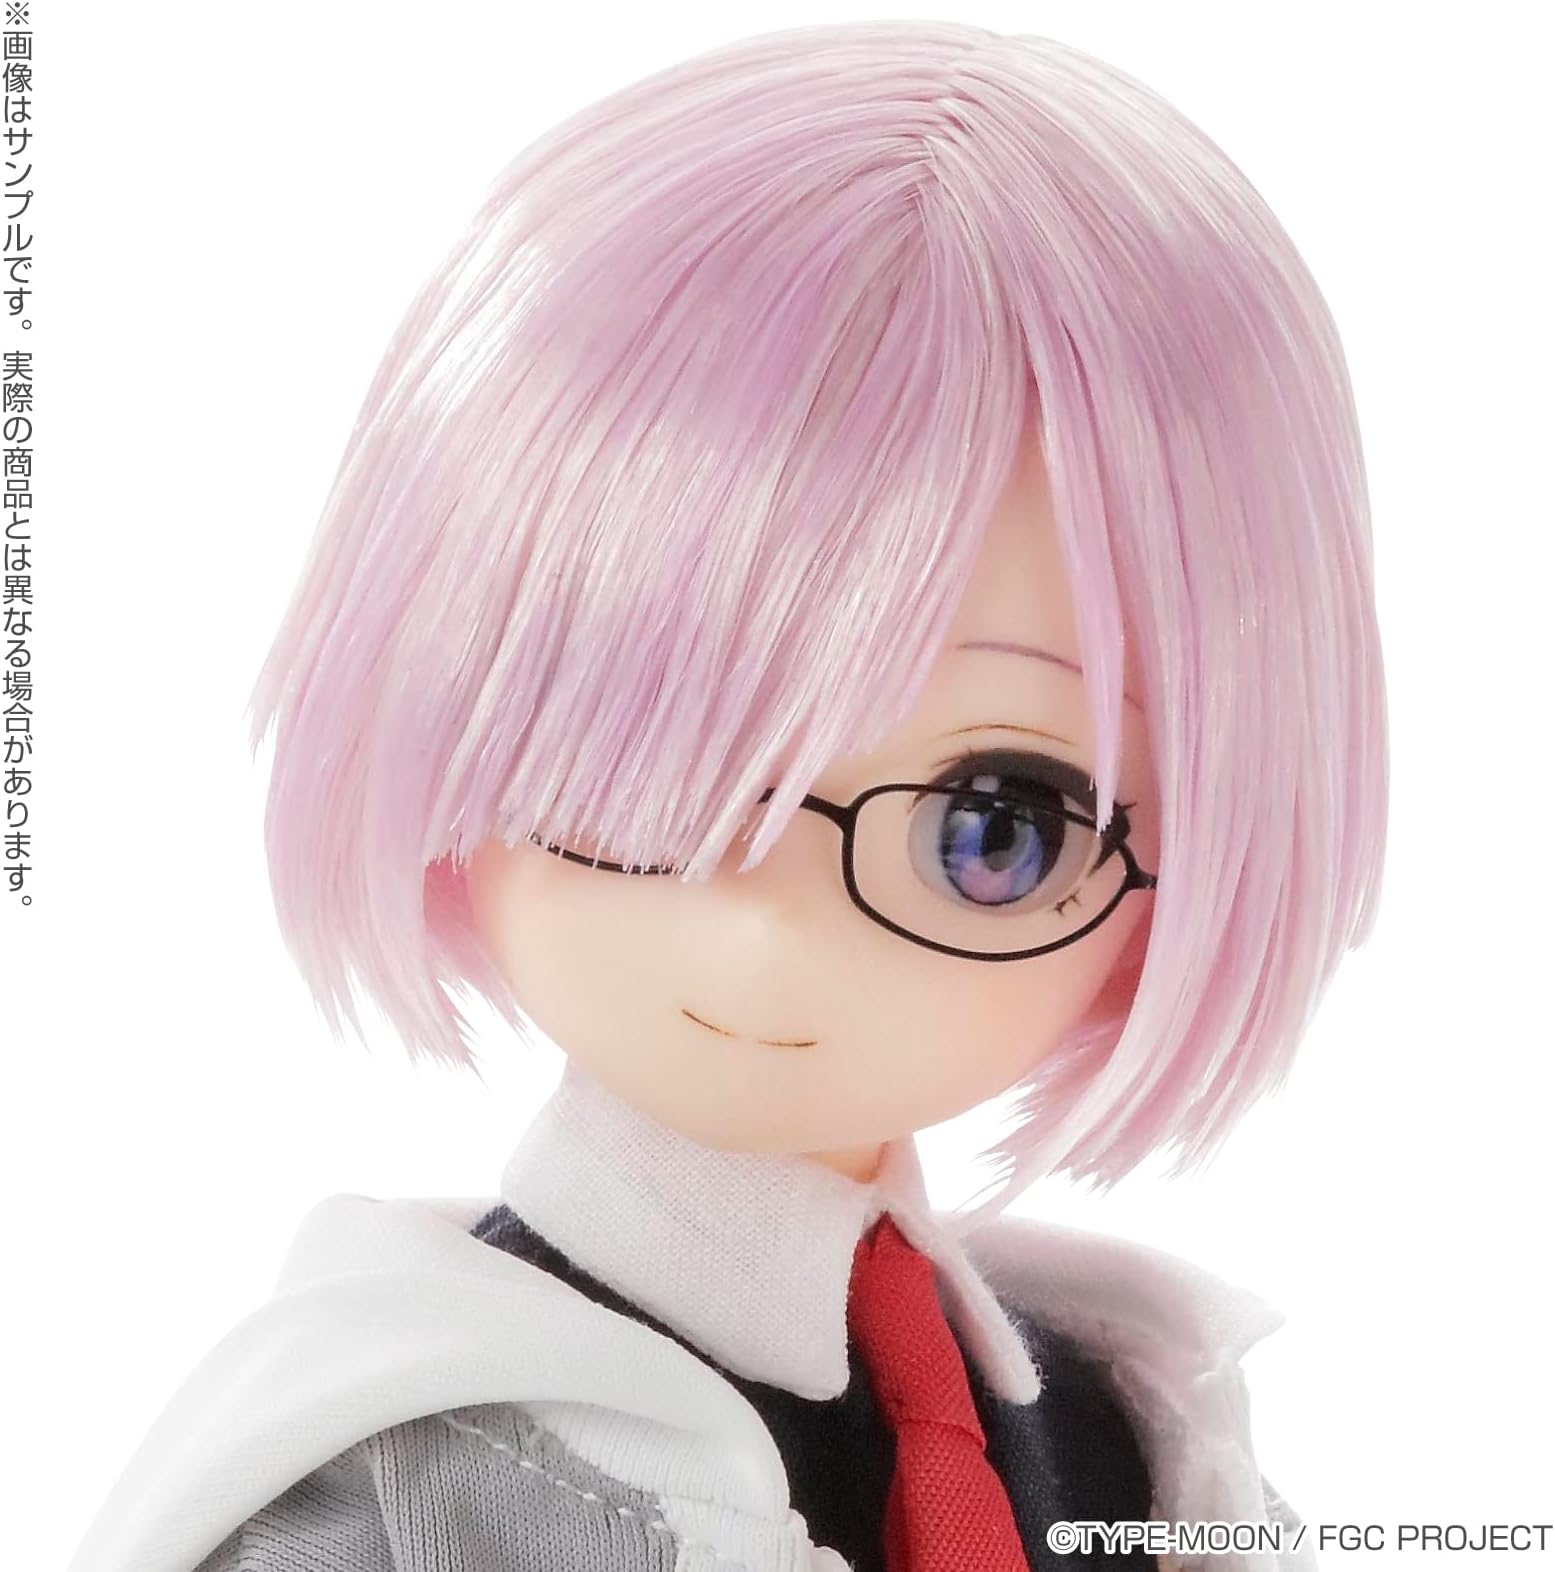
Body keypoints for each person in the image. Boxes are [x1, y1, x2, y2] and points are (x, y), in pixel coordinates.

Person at [68, 20, 1386, 1572]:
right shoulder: (410, 1466)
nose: (762, 932)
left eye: (993, 828)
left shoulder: (1121, 1429)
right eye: (643, 769)